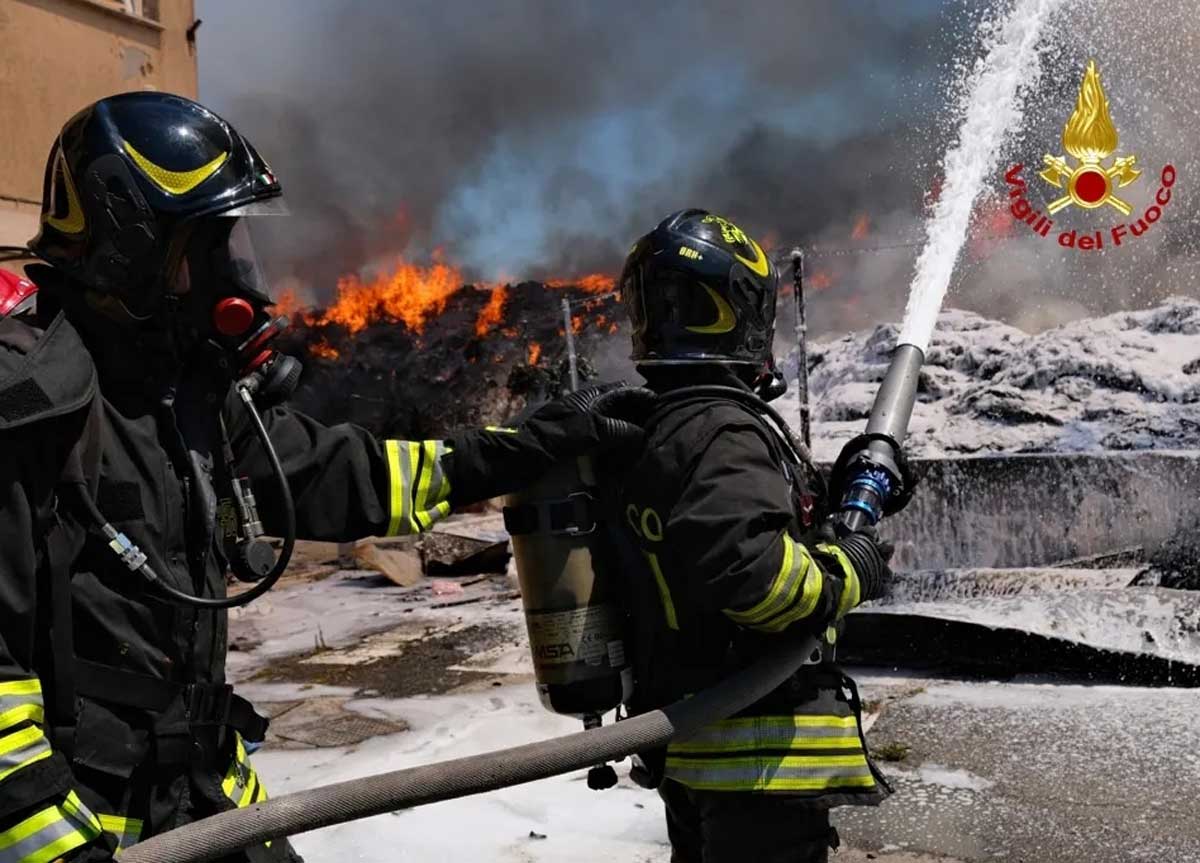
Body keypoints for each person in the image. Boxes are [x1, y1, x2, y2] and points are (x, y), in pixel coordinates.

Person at [0, 92, 633, 863]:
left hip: (199, 794)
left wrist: (520, 449)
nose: (244, 284)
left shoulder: (186, 401)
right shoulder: (31, 410)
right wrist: (58, 850)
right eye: (212, 251)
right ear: (136, 251)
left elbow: (345, 474)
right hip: (91, 822)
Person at [615, 209, 908, 863]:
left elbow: (740, 531)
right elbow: (758, 580)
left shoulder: (665, 426)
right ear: (740, 310)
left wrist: (840, 503)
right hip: (760, 766)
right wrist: (851, 567)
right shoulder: (722, 427)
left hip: (701, 755)